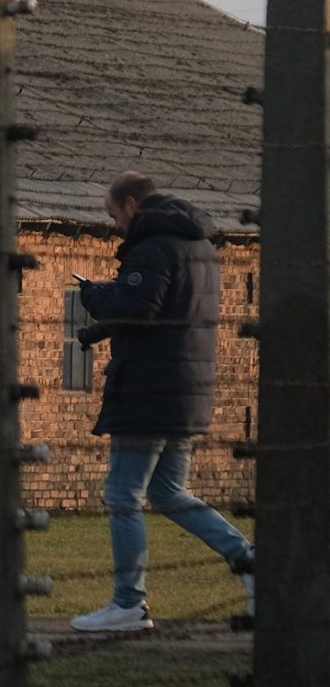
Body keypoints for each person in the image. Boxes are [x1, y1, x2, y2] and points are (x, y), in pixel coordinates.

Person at [67, 172, 253, 633]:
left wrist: (93, 293)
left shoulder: (151, 248)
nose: (114, 227)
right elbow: (164, 311)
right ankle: (249, 560)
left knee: (122, 495)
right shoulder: (201, 248)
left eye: (113, 216)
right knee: (168, 493)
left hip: (148, 390)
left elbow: (136, 309)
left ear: (131, 204)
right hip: (186, 391)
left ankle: (129, 602)